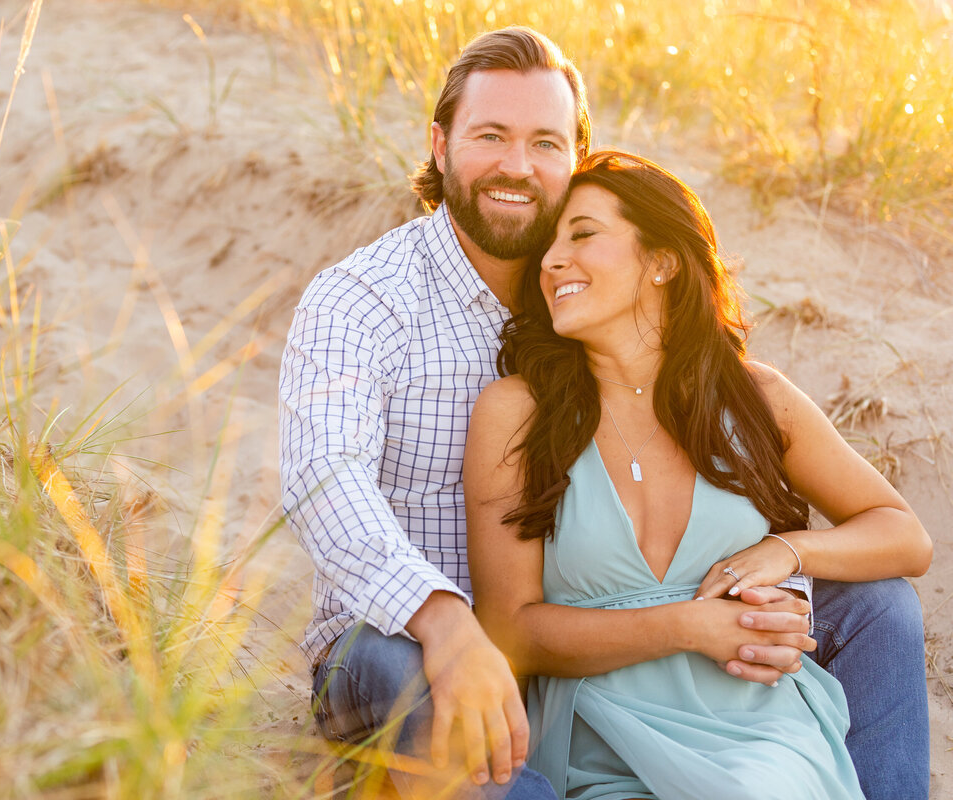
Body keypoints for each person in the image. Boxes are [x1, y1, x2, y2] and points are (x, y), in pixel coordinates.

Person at [279, 25, 930, 800]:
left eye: (544, 143)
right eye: (490, 135)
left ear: (573, 158)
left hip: (611, 636)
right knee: (424, 683)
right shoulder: (366, 300)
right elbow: (325, 479)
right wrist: (443, 618)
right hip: (408, 641)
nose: (517, 166)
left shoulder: (592, 298)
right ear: (441, 144)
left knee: (877, 604)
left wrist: (784, 554)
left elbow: (894, 533)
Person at [464, 150, 933, 799]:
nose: (549, 261)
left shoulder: (754, 397)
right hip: (603, 740)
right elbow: (510, 628)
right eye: (547, 245)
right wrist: (689, 625)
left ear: (663, 260)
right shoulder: (516, 411)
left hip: (761, 736)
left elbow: (905, 536)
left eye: (583, 234)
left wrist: (785, 549)